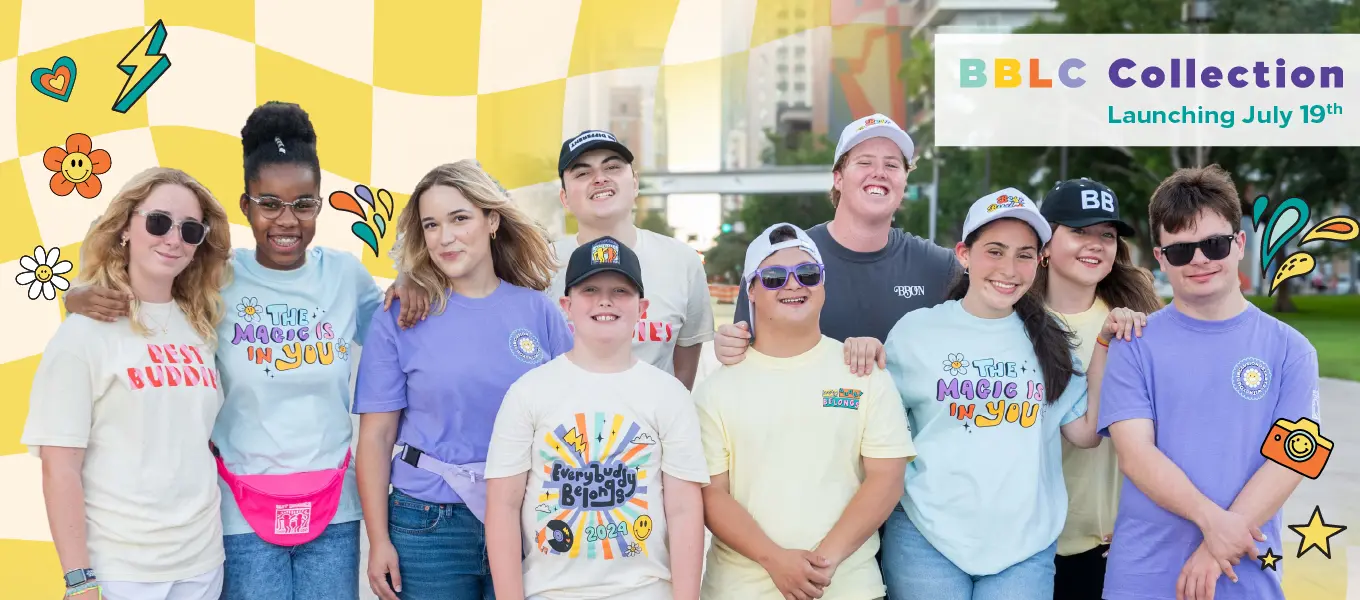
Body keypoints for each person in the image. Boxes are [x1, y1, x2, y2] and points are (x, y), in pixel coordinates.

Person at [62, 102, 393, 600]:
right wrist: (76, 295)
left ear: (319, 204)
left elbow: (401, 341)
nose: (288, 219)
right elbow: (147, 286)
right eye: (270, 203)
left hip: (334, 512)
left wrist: (412, 281)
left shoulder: (346, 277)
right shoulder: (215, 276)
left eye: (305, 203)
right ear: (245, 205)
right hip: (238, 514)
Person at [879, 188, 1142, 600]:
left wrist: (1105, 344)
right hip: (925, 537)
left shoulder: (1053, 340)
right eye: (995, 251)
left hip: (1024, 547)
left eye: (1024, 254)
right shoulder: (915, 332)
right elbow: (876, 434)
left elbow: (1088, 434)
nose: (1009, 268)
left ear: (1039, 261)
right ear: (964, 254)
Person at [353, 160, 574, 600]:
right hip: (428, 524)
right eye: (431, 225)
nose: (445, 237)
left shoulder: (538, 311)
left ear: (492, 220)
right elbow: (375, 439)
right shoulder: (401, 316)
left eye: (459, 218)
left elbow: (571, 421)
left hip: (527, 514)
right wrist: (379, 542)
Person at [1099, 166, 1318, 600]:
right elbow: (1135, 454)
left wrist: (1217, 549)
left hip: (1245, 571)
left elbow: (1291, 460)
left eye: (1214, 244)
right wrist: (1213, 525)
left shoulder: (1291, 349)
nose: (1199, 260)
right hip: (1143, 574)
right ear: (1160, 259)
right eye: (1180, 251)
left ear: (1239, 245)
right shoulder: (1133, 344)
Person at [23, 167, 233, 600]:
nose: (173, 239)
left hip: (202, 562)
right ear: (124, 228)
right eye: (158, 222)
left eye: (190, 230)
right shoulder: (84, 333)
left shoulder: (202, 326)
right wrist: (79, 580)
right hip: (122, 571)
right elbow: (59, 465)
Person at [695, 222, 916, 600]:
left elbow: (887, 479)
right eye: (775, 277)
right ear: (751, 289)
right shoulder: (715, 389)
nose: (793, 285)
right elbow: (712, 496)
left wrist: (822, 564)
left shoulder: (863, 374)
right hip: (740, 590)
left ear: (823, 285)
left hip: (847, 588)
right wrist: (775, 560)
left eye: (808, 273)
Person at [484, 236, 709, 600]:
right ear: (566, 305)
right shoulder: (529, 392)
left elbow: (684, 510)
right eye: (590, 289)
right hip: (551, 591)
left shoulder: (668, 395)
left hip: (645, 591)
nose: (605, 300)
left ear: (642, 307)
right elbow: (502, 506)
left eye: (620, 291)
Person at [715, 114, 959, 373]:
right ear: (838, 178)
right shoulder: (780, 260)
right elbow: (748, 357)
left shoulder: (938, 267)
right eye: (864, 162)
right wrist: (730, 345)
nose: (879, 173)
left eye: (892, 165)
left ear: (904, 180)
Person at [1035, 178, 1164, 599]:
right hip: (1031, 544)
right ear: (1045, 243)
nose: (1095, 244)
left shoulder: (1139, 322)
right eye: (1078, 231)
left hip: (1115, 542)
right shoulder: (1013, 322)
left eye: (1106, 235)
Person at [547, 129, 714, 388]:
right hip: (566, 426)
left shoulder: (682, 262)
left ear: (634, 183)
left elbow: (683, 370)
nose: (600, 179)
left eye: (612, 167)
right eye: (582, 173)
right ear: (565, 198)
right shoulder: (538, 266)